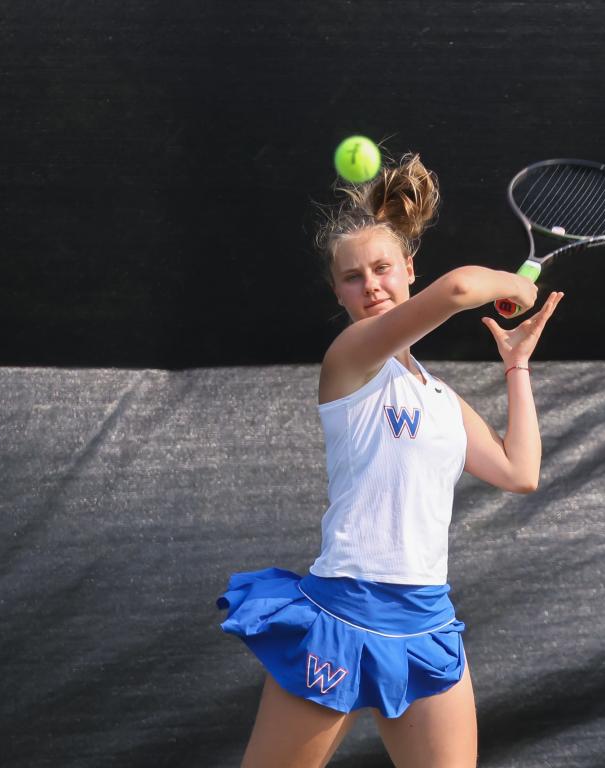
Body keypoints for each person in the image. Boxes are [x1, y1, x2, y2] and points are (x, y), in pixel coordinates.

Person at [217, 152, 563, 767]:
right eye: (353, 277)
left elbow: (520, 472)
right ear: (337, 291)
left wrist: (516, 366)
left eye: (382, 268)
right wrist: (517, 285)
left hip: (427, 620)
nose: (371, 285)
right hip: (344, 612)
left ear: (408, 270)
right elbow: (459, 290)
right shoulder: (350, 357)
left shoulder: (439, 397)